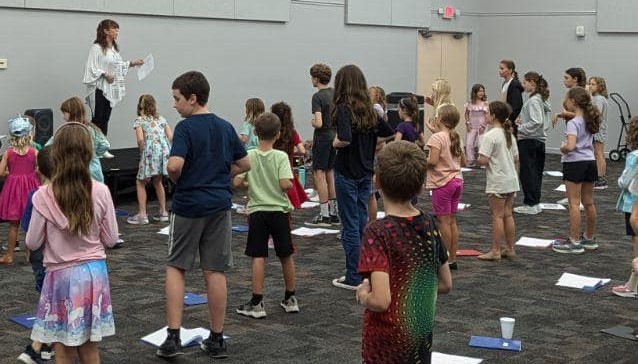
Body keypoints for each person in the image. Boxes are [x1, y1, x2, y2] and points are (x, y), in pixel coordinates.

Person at [158, 71, 250, 359]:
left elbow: (174, 166)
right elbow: (245, 162)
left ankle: (173, 336)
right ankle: (217, 338)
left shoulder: (185, 129)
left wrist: (178, 179)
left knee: (176, 266)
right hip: (219, 206)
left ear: (192, 98)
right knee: (215, 270)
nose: (174, 105)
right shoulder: (225, 127)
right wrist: (222, 176)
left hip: (188, 205)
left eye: (177, 99)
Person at [26, 123, 118, 363]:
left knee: (62, 346)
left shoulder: (43, 195)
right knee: (89, 346)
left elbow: (33, 241)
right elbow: (110, 238)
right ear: (89, 152)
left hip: (60, 276)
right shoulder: (101, 191)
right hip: (94, 276)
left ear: (56, 153)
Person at [356, 140, 452, 363]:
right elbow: (446, 283)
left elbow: (380, 300)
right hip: (419, 338)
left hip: (385, 345)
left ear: (377, 181)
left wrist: (363, 295)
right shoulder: (429, 223)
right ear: (420, 186)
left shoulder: (378, 231)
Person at [331, 64, 395, 290]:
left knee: (349, 224)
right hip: (365, 170)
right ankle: (365, 270)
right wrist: (371, 144)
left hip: (347, 170)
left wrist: (334, 143)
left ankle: (353, 275)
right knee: (361, 222)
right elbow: (387, 132)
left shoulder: (343, 108)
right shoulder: (369, 109)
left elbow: (345, 138)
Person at [233, 112, 299, 318]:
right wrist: (289, 183)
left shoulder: (249, 155)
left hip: (258, 211)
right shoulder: (281, 157)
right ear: (278, 134)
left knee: (258, 256)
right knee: (286, 255)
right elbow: (284, 184)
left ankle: (257, 302)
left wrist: (250, 182)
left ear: (255, 132)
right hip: (279, 211)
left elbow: (236, 182)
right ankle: (290, 298)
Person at [17, 146, 55, 364]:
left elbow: (28, 232)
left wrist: (28, 250)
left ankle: (40, 345)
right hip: (60, 258)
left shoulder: (36, 195)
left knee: (47, 299)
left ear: (39, 169)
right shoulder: (69, 194)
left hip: (41, 255)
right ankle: (44, 345)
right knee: (51, 300)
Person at [552, 87, 600, 254]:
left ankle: (574, 241)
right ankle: (589, 237)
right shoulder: (589, 120)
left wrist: (562, 148)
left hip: (574, 163)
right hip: (590, 162)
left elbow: (571, 146)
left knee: (574, 204)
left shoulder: (573, 123)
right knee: (589, 202)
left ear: (573, 102)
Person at [83, 19, 144, 142]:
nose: (117, 31)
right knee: (97, 118)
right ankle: (91, 146)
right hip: (99, 89)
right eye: (114, 29)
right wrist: (104, 74)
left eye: (118, 29)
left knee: (105, 118)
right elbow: (91, 67)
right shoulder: (97, 48)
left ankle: (102, 145)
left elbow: (118, 66)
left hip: (110, 89)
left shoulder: (114, 51)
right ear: (106, 31)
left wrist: (133, 63)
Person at [476, 101, 520, 261]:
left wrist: (478, 157)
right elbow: (516, 159)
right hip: (511, 180)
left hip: (498, 181)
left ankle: (495, 250)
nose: (485, 115)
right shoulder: (510, 135)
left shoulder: (490, 136)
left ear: (493, 116)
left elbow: (483, 160)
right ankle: (510, 248)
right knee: (508, 214)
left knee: (497, 216)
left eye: (487, 113)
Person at [425, 104, 465, 270]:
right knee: (451, 220)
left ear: (439, 118)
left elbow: (433, 162)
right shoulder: (456, 136)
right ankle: (452, 258)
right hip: (457, 180)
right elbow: (464, 162)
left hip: (442, 183)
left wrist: (420, 160)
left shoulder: (436, 138)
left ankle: (444, 259)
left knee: (443, 222)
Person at [127, 94, 173, 225]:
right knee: (158, 181)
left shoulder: (140, 120)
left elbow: (140, 140)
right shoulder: (162, 119)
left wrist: (143, 153)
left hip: (149, 152)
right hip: (163, 152)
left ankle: (142, 215)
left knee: (140, 181)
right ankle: (163, 212)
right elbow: (170, 136)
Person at [0, 115, 40, 265]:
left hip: (13, 190)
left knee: (13, 225)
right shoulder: (34, 151)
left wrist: (10, 174)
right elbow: (40, 169)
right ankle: (30, 255)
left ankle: (9, 255)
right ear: (29, 133)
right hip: (30, 189)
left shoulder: (8, 153)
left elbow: (0, 172)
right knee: (30, 224)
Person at [513, 72, 551, 215]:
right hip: (538, 139)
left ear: (532, 83)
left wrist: (520, 128)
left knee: (527, 172)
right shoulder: (541, 100)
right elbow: (542, 121)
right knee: (535, 172)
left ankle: (530, 203)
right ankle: (534, 201)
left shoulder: (534, 100)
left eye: (525, 82)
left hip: (529, 140)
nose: (523, 85)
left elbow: (537, 121)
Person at [306, 63, 339, 227]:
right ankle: (334, 212)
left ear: (316, 78)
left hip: (322, 137)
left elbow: (318, 122)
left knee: (319, 174)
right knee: (330, 173)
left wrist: (313, 122)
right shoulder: (334, 93)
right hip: (334, 136)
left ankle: (324, 214)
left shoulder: (317, 97)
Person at [50, 97, 110, 183]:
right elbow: (105, 145)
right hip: (95, 172)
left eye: (64, 113)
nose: (63, 117)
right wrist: (94, 154)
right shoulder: (93, 128)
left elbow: (48, 146)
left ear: (71, 112)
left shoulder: (65, 131)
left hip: (75, 173)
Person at [613, 116, 638, 296]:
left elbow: (625, 181)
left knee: (636, 243)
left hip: (632, 204)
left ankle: (634, 285)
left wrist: (620, 180)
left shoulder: (634, 156)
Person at [271, 101, 308, 209]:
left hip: (272, 167)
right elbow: (302, 151)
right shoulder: (292, 132)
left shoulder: (273, 131)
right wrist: (293, 149)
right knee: (288, 197)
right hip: (287, 169)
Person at [367, 86, 387, 223]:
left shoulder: (376, 108)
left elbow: (379, 130)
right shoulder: (379, 107)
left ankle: (372, 222)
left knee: (372, 191)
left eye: (370, 93)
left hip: (377, 149)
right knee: (374, 190)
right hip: (377, 148)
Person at [588, 76, 609, 189]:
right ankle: (598, 176)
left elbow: (597, 114)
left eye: (593, 84)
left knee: (599, 153)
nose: (590, 86)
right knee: (596, 153)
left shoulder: (599, 99)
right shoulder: (596, 98)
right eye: (589, 83)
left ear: (599, 86)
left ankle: (601, 178)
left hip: (598, 130)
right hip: (596, 129)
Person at [464, 84, 489, 167]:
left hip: (482, 126)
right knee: (469, 143)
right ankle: (470, 160)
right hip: (472, 126)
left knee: (481, 144)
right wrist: (467, 123)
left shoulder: (485, 103)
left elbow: (487, 116)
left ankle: (482, 161)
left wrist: (484, 126)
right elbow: (466, 114)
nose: (481, 93)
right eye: (479, 91)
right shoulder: (469, 103)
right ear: (475, 92)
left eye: (482, 91)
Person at [498, 60, 524, 136]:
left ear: (510, 70)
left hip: (511, 121)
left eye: (502, 69)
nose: (499, 71)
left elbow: (516, 106)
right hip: (505, 119)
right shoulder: (504, 83)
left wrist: (509, 119)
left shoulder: (514, 85)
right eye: (499, 68)